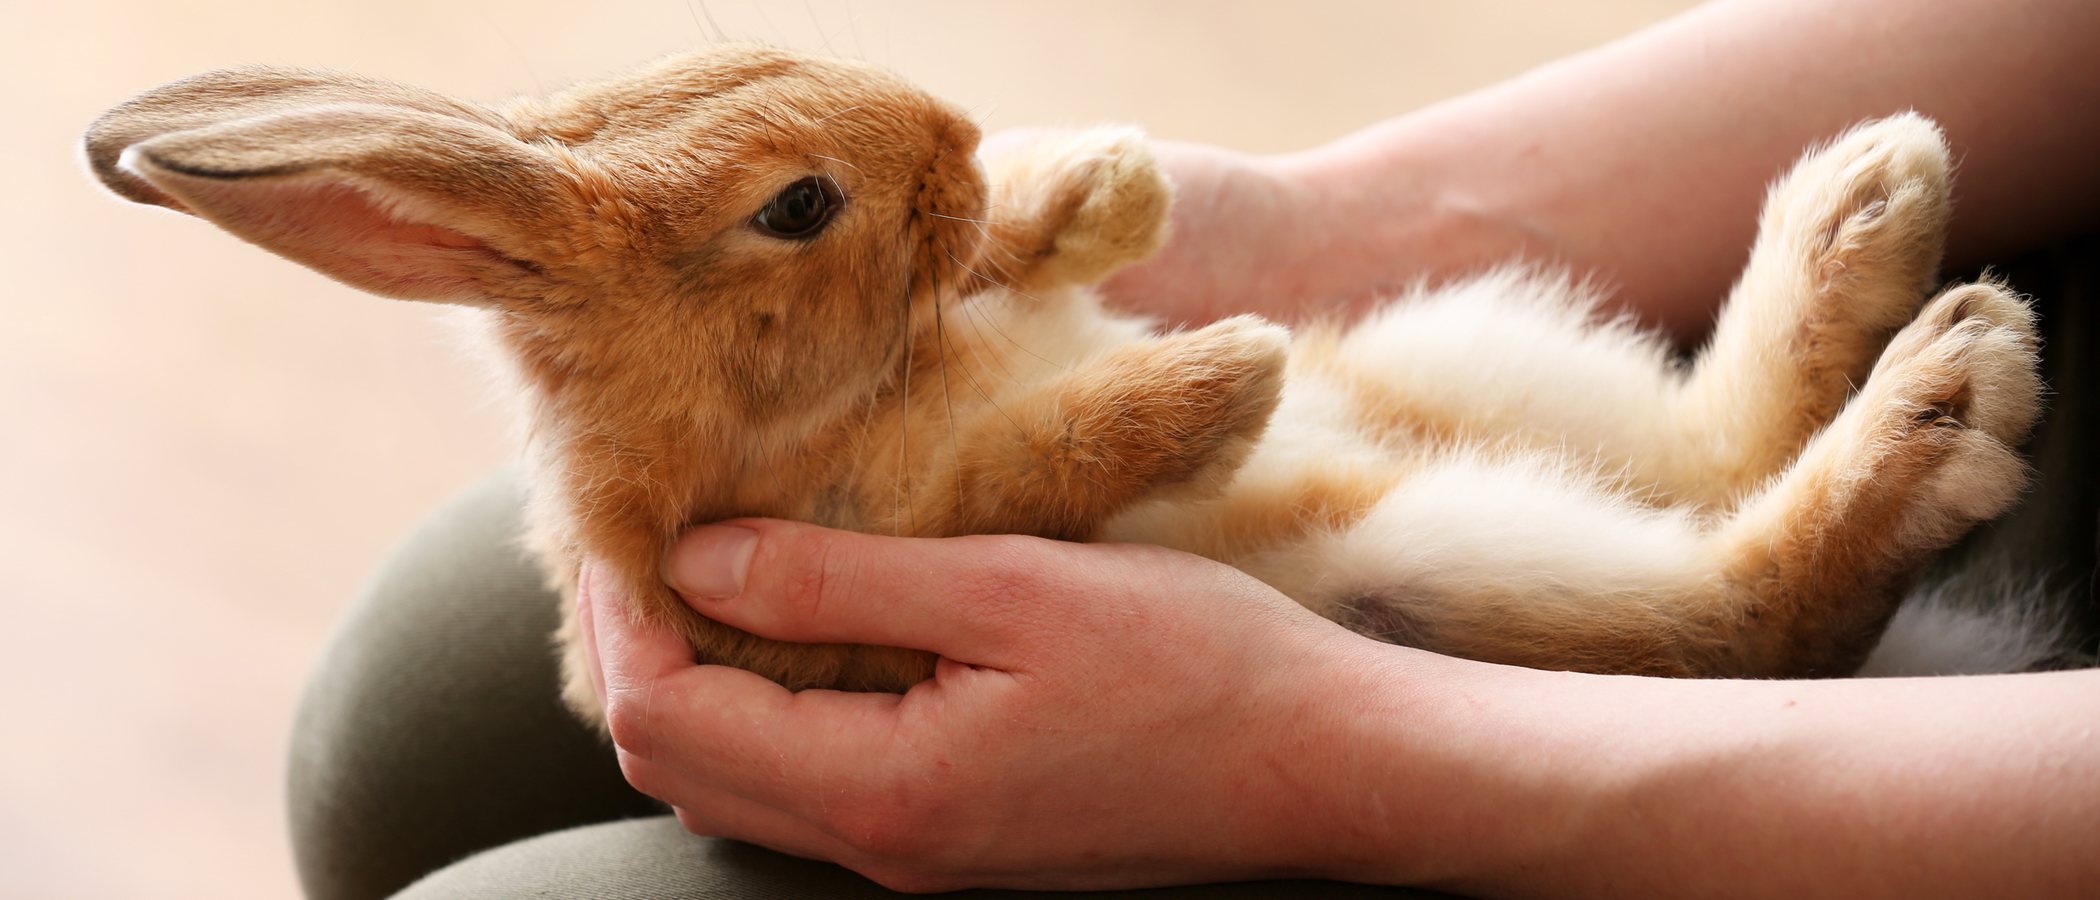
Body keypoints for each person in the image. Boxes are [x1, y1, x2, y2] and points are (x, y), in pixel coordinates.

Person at [289, 0, 2100, 896]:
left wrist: (1327, 749)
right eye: (811, 201)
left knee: (1422, 557)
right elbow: (976, 491)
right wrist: (1338, 218)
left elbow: (1063, 442)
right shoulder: (674, 417)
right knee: (411, 699)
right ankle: (1725, 455)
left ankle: (1756, 593)